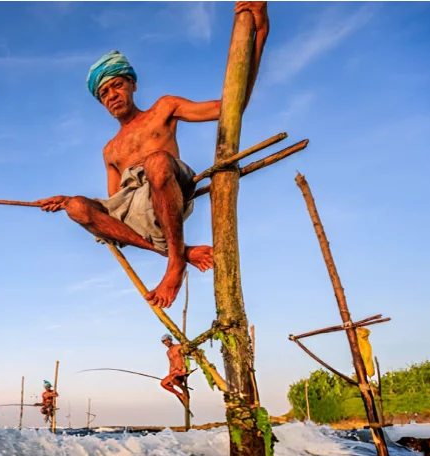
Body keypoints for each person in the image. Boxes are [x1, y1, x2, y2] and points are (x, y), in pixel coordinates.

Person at [36, 0, 269, 308]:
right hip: (142, 214)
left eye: (116, 86)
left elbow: (232, 106)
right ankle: (180, 253)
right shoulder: (110, 150)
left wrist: (261, 30)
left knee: (156, 161)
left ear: (131, 84)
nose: (111, 96)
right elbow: (118, 212)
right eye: (103, 93)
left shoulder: (164, 109)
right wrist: (71, 203)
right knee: (77, 206)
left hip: (168, 188)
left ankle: (174, 263)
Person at [160, 334, 188, 403]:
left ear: (171, 340)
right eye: (164, 341)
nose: (166, 342)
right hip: (174, 372)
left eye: (167, 340)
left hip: (181, 370)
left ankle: (184, 391)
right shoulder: (168, 352)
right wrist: (170, 374)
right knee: (163, 384)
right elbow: (171, 364)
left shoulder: (179, 346)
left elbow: (184, 357)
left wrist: (184, 369)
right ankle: (180, 394)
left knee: (174, 379)